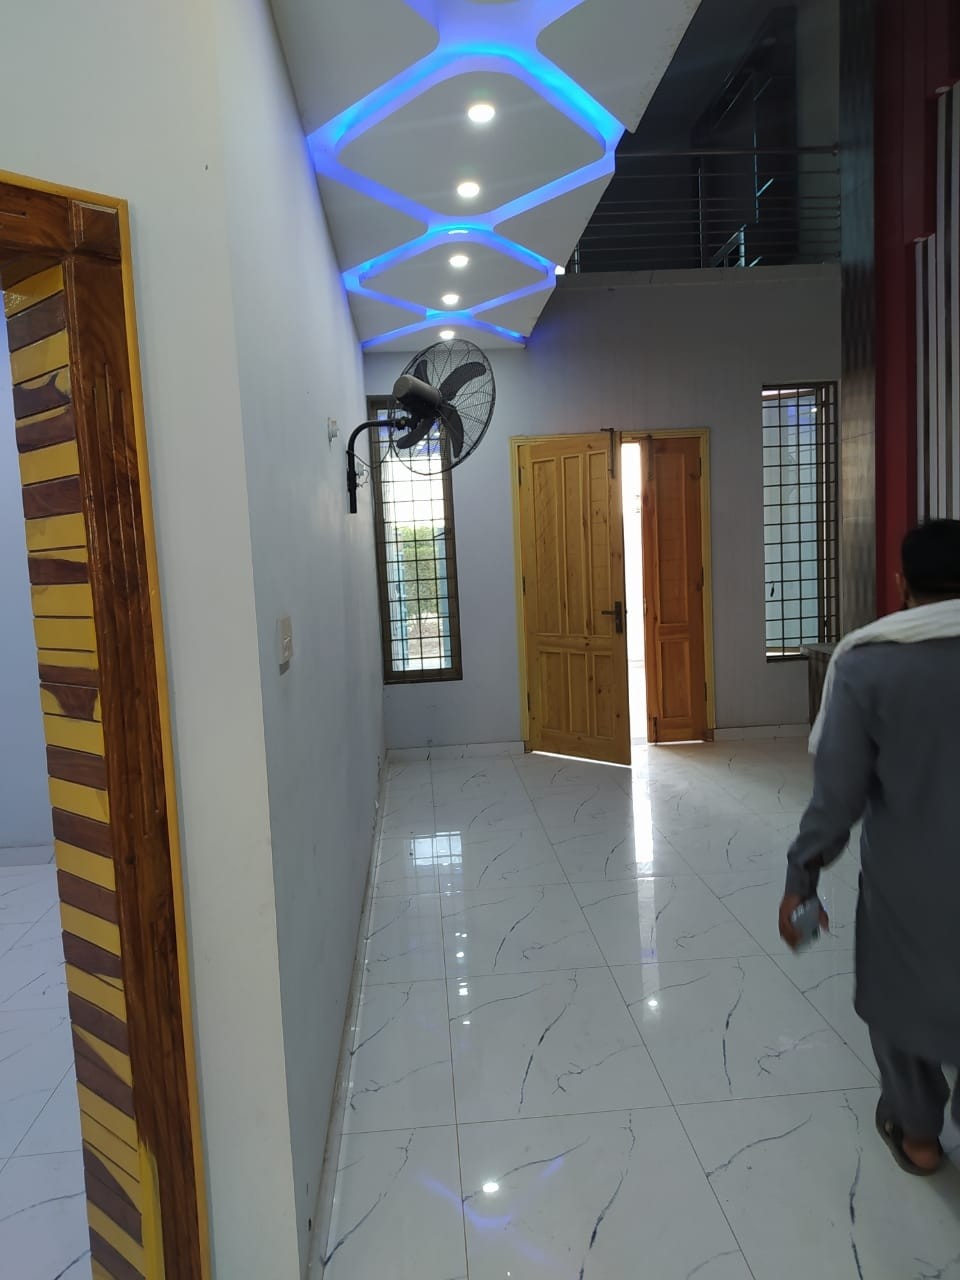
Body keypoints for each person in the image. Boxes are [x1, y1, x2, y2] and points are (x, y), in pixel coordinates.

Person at [779, 519, 960, 1176]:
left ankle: (919, 1137)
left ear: (901, 582)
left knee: (900, 996)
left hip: (909, 886)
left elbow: (837, 799)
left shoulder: (867, 665)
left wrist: (802, 881)